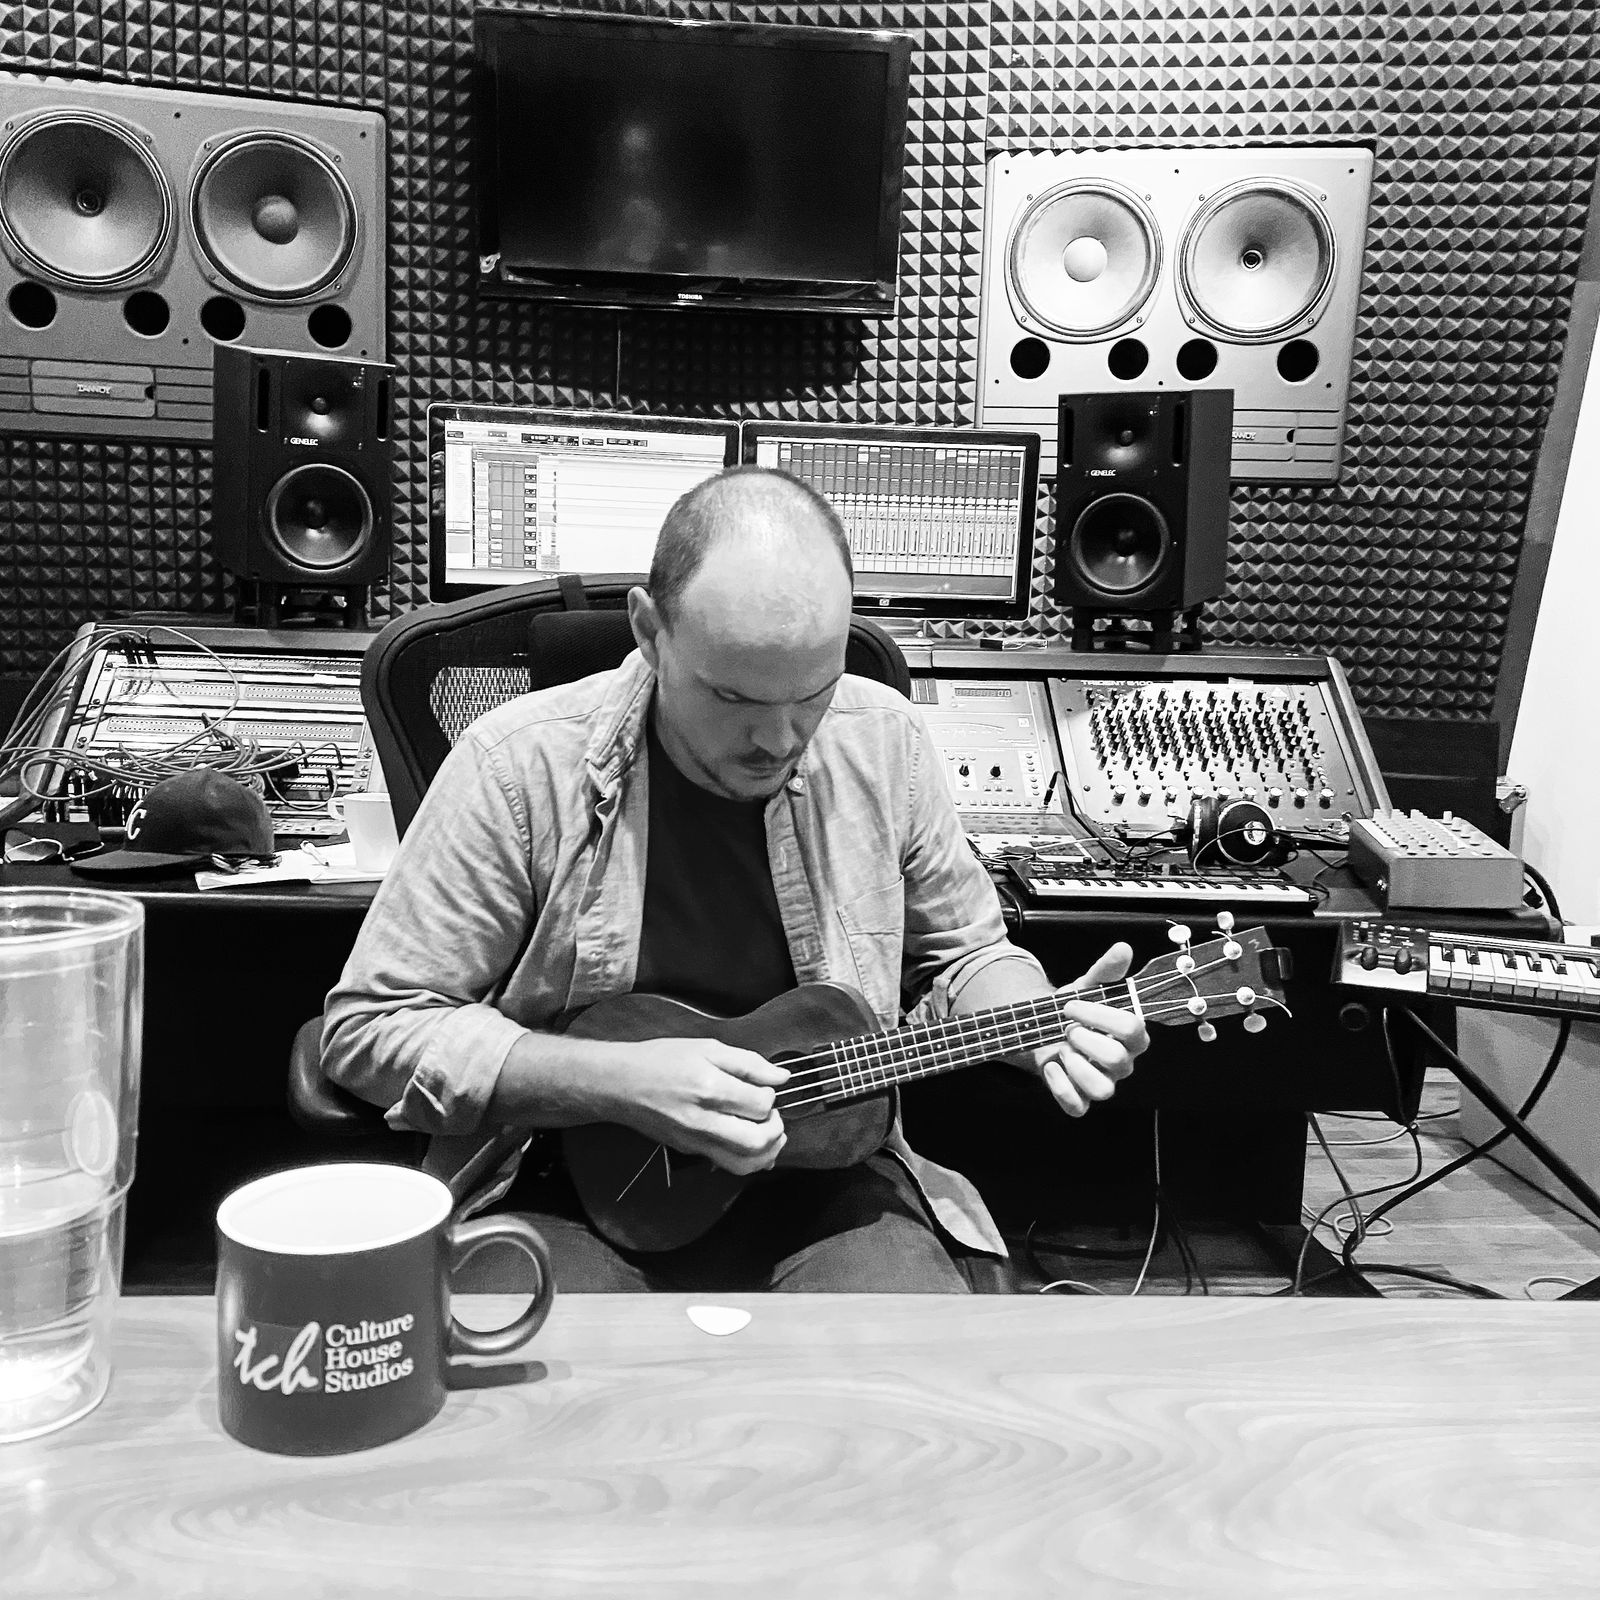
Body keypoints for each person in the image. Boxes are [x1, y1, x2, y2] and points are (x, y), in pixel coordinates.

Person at [322, 467, 1149, 1291]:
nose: (780, 739)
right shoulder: (515, 765)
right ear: (650, 632)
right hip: (567, 1178)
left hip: (827, 1174)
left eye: (813, 694)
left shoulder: (886, 741)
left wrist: (1037, 1019)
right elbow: (371, 1029)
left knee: (903, 1359)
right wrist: (615, 1083)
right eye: (733, 697)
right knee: (550, 1368)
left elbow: (965, 956)